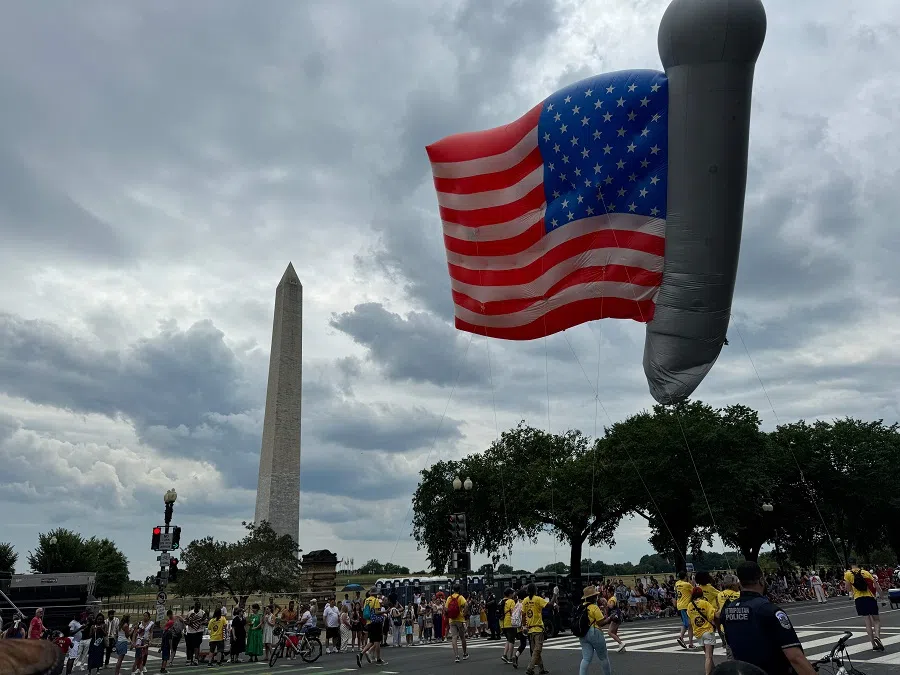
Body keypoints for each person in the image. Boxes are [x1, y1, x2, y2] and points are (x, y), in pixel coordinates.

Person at [721, 561, 816, 675]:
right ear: (761, 580)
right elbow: (794, 656)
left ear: (740, 583)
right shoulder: (769, 610)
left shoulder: (728, 610)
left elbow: (730, 646)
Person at [843, 558, 884, 651]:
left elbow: (848, 589)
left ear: (849, 564)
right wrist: (882, 597)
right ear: (857, 563)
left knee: (867, 622)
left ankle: (873, 645)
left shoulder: (848, 574)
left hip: (859, 599)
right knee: (876, 620)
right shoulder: (865, 572)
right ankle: (877, 636)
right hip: (870, 597)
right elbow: (876, 585)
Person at [522, 583, 557, 675]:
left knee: (535, 651)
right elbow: (549, 606)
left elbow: (523, 614)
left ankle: (541, 669)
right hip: (538, 629)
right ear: (535, 591)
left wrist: (524, 625)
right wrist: (555, 594)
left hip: (530, 630)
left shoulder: (525, 600)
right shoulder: (538, 599)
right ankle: (530, 668)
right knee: (537, 650)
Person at [578, 586, 613, 675]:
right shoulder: (594, 607)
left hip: (582, 633)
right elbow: (601, 622)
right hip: (594, 632)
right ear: (593, 597)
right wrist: (609, 618)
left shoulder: (580, 607)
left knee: (586, 658)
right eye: (595, 596)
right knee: (603, 657)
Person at [687, 586, 717, 675]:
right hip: (707, 630)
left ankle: (714, 670)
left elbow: (689, 621)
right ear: (701, 594)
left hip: (698, 632)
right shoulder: (705, 603)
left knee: (708, 655)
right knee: (709, 656)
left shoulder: (690, 605)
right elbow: (711, 616)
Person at [357, 589, 388, 668]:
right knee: (377, 641)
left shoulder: (366, 600)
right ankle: (378, 659)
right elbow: (377, 612)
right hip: (375, 623)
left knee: (371, 641)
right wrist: (384, 612)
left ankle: (361, 653)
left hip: (369, 622)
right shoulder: (376, 600)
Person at [444, 584, 469, 664]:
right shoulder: (460, 597)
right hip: (460, 619)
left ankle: (457, 656)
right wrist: (464, 613)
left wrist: (448, 615)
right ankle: (464, 654)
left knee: (454, 637)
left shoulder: (449, 598)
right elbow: (466, 605)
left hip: (452, 620)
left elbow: (446, 608)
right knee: (462, 637)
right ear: (459, 590)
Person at [674, 570, 695, 650]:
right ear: (685, 577)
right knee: (689, 624)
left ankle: (690, 642)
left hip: (680, 604)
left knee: (688, 624)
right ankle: (682, 637)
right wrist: (691, 581)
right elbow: (694, 591)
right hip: (686, 605)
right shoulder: (687, 585)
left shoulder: (677, 583)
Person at [184, 602, 206, 666]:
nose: (198, 608)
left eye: (199, 607)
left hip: (199, 631)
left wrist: (200, 623)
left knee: (197, 645)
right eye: (197, 607)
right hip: (191, 631)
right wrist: (190, 623)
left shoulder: (202, 613)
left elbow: (206, 621)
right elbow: (185, 620)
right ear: (195, 606)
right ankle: (189, 659)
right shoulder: (190, 613)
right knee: (190, 646)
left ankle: (196, 659)